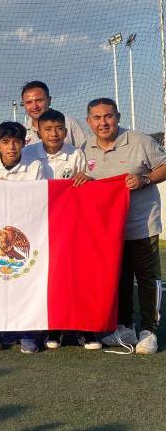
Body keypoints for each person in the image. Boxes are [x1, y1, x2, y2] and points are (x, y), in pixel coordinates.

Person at [83, 98, 166, 355]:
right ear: (89, 122)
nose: (103, 122)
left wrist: (144, 179)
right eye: (96, 118)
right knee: (117, 277)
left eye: (108, 116)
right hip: (107, 230)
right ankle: (126, 326)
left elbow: (164, 166)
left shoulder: (140, 141)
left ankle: (149, 330)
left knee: (146, 277)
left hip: (141, 223)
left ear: (117, 116)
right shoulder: (85, 149)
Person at [19, 111, 100, 350]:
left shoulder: (76, 154)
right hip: (38, 225)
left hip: (69, 225)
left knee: (73, 274)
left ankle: (79, 328)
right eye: (48, 129)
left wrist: (88, 180)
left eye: (59, 129)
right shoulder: (28, 153)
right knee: (43, 276)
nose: (54, 134)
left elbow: (86, 189)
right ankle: (50, 327)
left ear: (65, 131)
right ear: (38, 132)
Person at [0, 121, 47, 354]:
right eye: (6, 142)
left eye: (16, 142)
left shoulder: (36, 166)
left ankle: (28, 333)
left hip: (28, 233)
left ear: (24, 143)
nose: (11, 147)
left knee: (26, 283)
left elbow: (43, 199)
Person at [21, 81, 86, 147]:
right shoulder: (21, 131)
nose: (34, 106)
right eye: (29, 102)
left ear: (49, 100)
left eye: (39, 100)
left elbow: (85, 153)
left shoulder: (69, 123)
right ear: (23, 104)